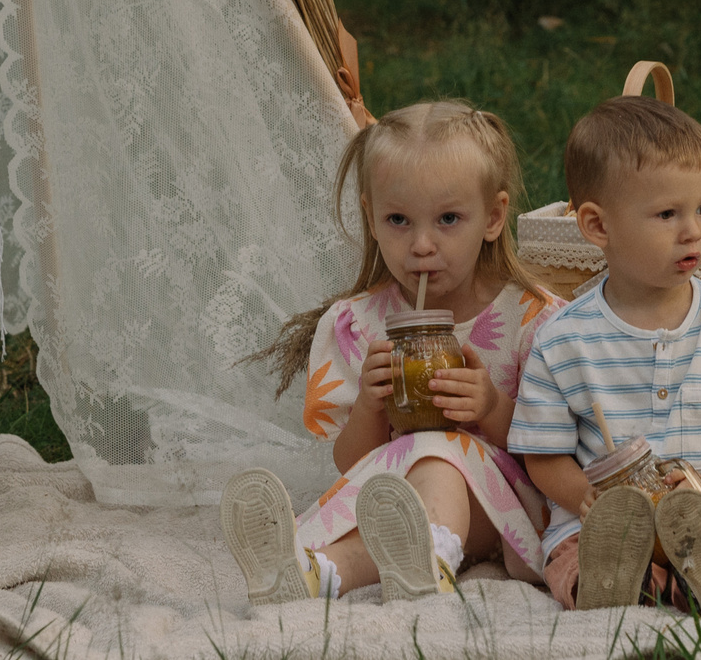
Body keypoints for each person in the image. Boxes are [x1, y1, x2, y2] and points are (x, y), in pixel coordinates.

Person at [219, 100, 564, 604]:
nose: (422, 244)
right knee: (410, 481)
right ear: (371, 219)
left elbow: (559, 449)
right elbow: (351, 462)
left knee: (440, 451)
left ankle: (428, 558)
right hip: (392, 501)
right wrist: (369, 405)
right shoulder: (358, 326)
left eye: (448, 218)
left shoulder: (534, 320)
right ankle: (320, 573)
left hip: (505, 509)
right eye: (399, 220)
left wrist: (491, 409)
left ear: (493, 217)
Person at [509, 96, 701, 619]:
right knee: (575, 559)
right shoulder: (563, 339)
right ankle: (616, 581)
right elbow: (543, 455)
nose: (692, 230)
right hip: (600, 525)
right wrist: (587, 497)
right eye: (667, 213)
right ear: (598, 227)